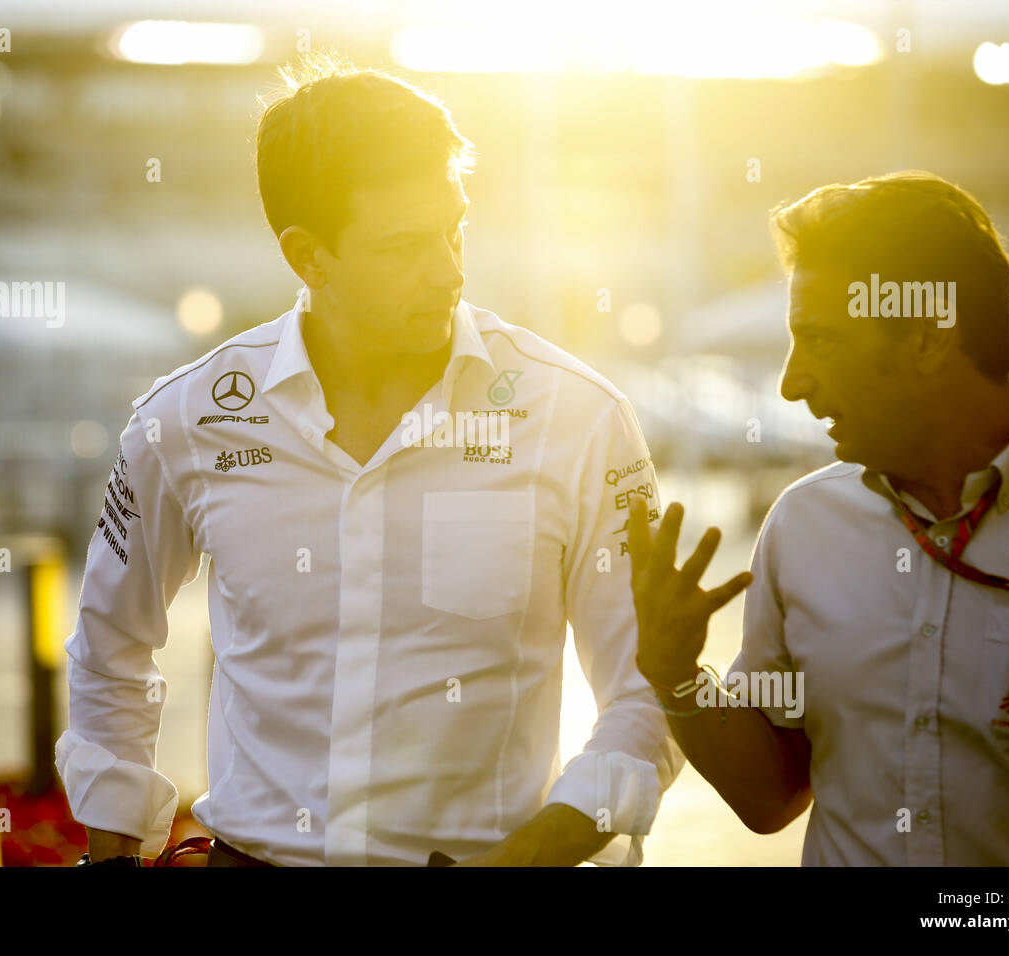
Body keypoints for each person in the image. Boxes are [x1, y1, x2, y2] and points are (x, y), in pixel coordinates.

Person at [56, 53, 680, 867]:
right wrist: (112, 858)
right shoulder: (187, 419)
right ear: (307, 257)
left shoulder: (579, 419)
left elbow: (648, 690)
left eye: (454, 227)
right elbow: (109, 649)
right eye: (404, 246)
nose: (448, 269)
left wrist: (535, 855)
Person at [629, 170, 1009, 865]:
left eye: (819, 341)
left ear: (926, 338)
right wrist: (677, 674)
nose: (793, 382)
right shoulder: (803, 526)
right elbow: (769, 799)